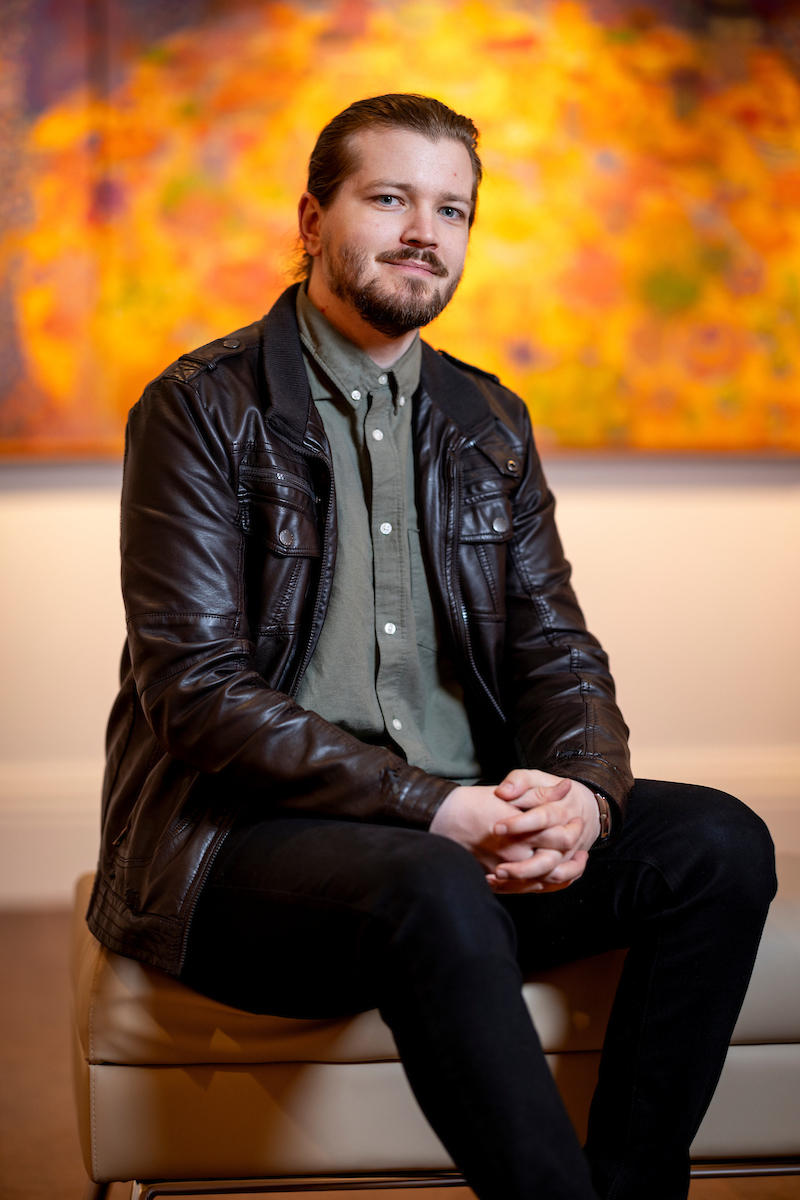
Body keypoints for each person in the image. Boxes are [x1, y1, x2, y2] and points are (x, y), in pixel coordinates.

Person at [88, 94, 776, 1200]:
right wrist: (434, 810)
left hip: (459, 823)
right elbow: (196, 691)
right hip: (247, 843)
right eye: (389, 199)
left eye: (451, 209)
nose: (424, 232)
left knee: (718, 842)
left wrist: (581, 793)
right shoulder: (200, 408)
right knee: (432, 882)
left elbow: (556, 646)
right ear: (311, 220)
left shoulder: (486, 419)